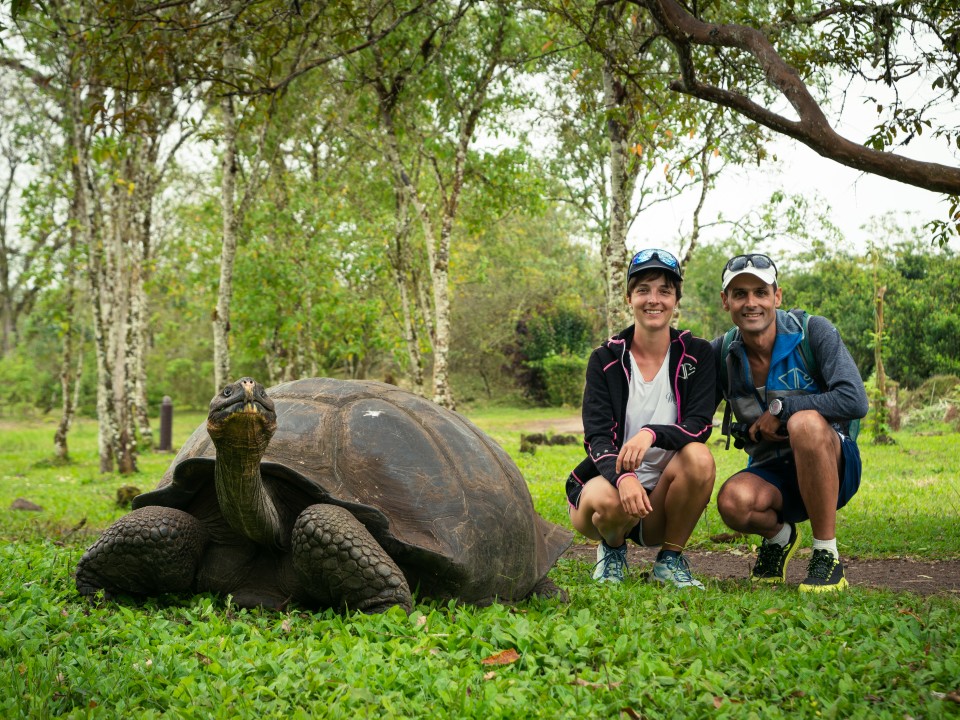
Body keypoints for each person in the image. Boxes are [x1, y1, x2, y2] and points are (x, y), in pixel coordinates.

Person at [712, 253, 868, 593]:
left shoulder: (813, 332)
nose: (751, 303)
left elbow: (855, 400)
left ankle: (826, 554)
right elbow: (692, 416)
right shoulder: (721, 353)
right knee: (733, 501)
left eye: (760, 292)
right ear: (726, 301)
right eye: (740, 294)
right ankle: (780, 537)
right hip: (772, 470)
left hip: (834, 464)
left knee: (805, 424)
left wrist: (783, 409)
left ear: (777, 296)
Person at [565, 249, 716, 589]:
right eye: (643, 289)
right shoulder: (605, 358)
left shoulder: (697, 354)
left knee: (700, 457)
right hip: (608, 488)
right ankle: (612, 549)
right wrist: (623, 477)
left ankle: (669, 561)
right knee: (610, 503)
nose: (654, 299)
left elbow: (700, 425)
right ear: (629, 297)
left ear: (676, 299)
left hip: (660, 501)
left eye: (664, 290)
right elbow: (597, 437)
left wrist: (650, 433)